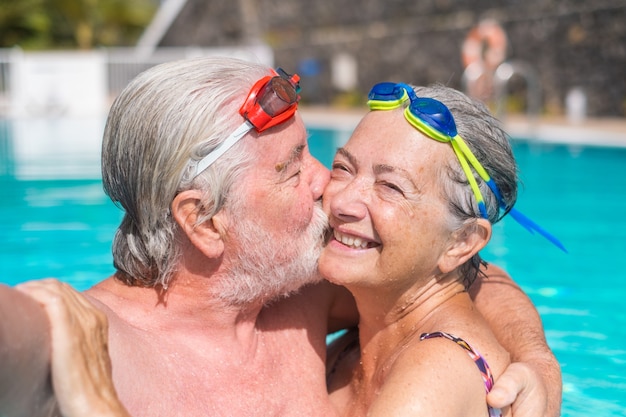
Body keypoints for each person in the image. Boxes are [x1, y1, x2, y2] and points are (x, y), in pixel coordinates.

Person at [1, 57, 560, 417]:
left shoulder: (302, 290)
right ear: (203, 220)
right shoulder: (79, 337)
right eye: (294, 168)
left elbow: (471, 276)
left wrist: (536, 363)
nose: (330, 190)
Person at [322, 82, 565, 416]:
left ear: (461, 242)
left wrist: (540, 362)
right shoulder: (358, 343)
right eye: (343, 168)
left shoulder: (434, 377)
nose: (343, 202)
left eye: (391, 186)